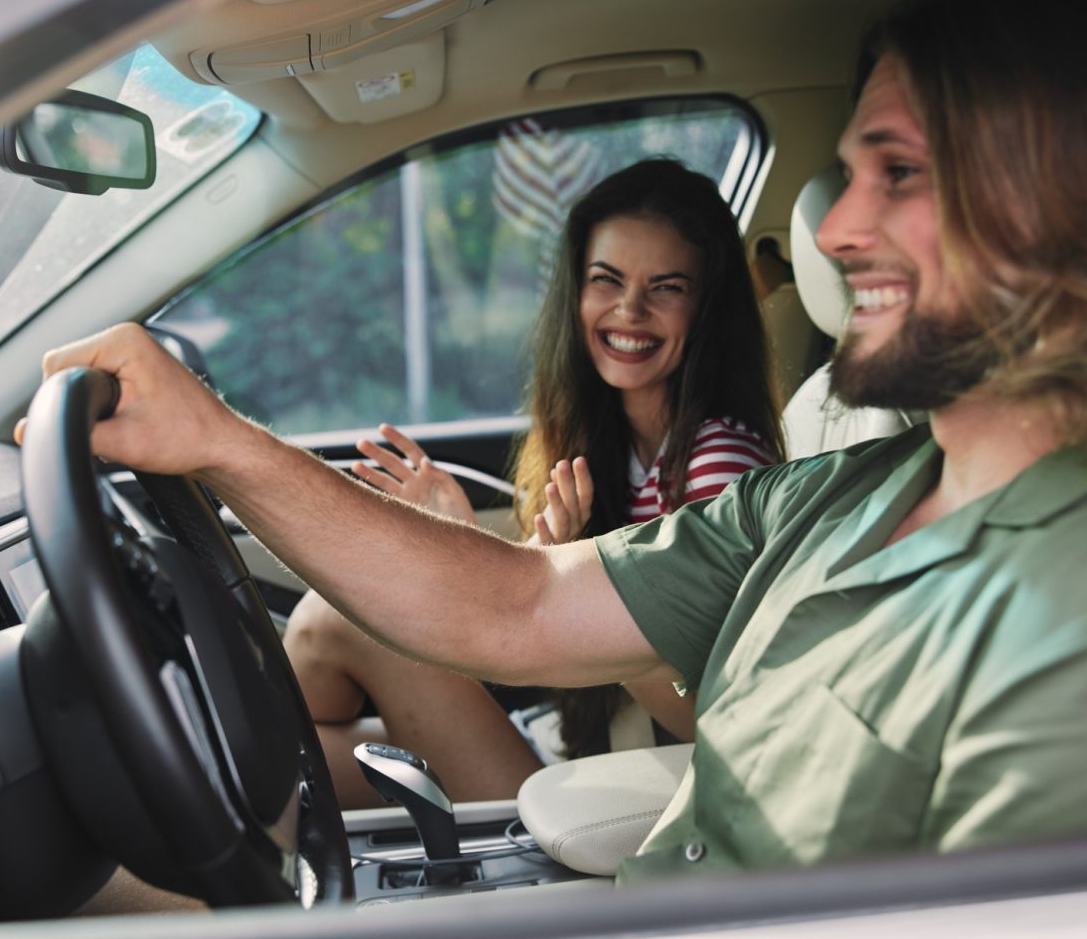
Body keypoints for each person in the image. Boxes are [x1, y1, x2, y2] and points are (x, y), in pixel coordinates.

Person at [21, 0, 1087, 881]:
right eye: (849, 174)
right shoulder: (845, 488)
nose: (835, 230)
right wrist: (223, 442)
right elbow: (525, 602)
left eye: (898, 174)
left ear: (1070, 203)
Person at [282, 159, 784, 807]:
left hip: (639, 794)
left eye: (666, 288)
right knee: (294, 766)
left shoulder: (718, 468)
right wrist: (466, 546)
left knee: (335, 620)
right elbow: (543, 629)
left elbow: (721, 714)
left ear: (707, 308)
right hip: (577, 749)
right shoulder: (613, 442)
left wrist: (557, 582)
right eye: (607, 280)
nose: (629, 310)